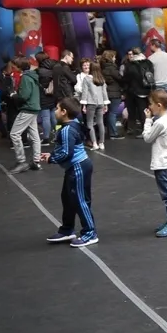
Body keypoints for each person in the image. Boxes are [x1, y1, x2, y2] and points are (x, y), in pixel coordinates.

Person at [40, 97, 98, 247]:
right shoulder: (73, 124)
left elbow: (66, 152)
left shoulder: (67, 130)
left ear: (64, 112)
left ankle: (90, 233)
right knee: (67, 198)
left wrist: (51, 158)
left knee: (80, 200)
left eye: (57, 109)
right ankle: (67, 230)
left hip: (78, 167)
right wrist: (52, 154)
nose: (55, 112)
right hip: (76, 167)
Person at [143, 89, 167, 238]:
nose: (149, 107)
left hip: (163, 164)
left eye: (151, 104)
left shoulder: (160, 123)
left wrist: (147, 119)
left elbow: (147, 137)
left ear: (159, 105)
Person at [8, 56, 42, 175]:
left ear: (19, 66)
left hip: (27, 108)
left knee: (14, 134)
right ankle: (36, 161)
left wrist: (13, 95)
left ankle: (21, 161)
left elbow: (24, 96)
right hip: (34, 107)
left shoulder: (26, 78)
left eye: (14, 65)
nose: (13, 67)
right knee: (34, 134)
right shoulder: (32, 76)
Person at [122, 48, 155, 137]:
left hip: (133, 91)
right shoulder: (148, 63)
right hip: (146, 90)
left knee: (132, 111)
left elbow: (126, 78)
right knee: (143, 111)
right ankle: (145, 128)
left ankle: (131, 129)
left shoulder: (131, 65)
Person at [79, 60, 110, 151]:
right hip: (100, 103)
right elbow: (104, 93)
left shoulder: (87, 79)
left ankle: (94, 143)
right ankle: (102, 143)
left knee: (89, 123)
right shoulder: (102, 79)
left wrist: (84, 105)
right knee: (100, 123)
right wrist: (106, 104)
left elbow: (84, 93)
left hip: (90, 103)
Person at [148, 40, 167, 117]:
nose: (150, 47)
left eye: (150, 45)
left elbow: (148, 72)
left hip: (157, 85)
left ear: (154, 46)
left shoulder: (150, 58)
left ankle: (159, 123)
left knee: (157, 105)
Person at [36, 52, 58, 145]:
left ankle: (46, 138)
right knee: (54, 116)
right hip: (53, 95)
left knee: (45, 117)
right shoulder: (54, 68)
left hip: (43, 96)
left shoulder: (38, 71)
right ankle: (58, 135)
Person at [100, 50, 124, 138]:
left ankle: (108, 131)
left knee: (108, 113)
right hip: (114, 93)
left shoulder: (102, 67)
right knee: (112, 113)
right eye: (114, 56)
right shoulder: (112, 68)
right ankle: (113, 133)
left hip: (106, 92)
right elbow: (119, 78)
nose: (115, 58)